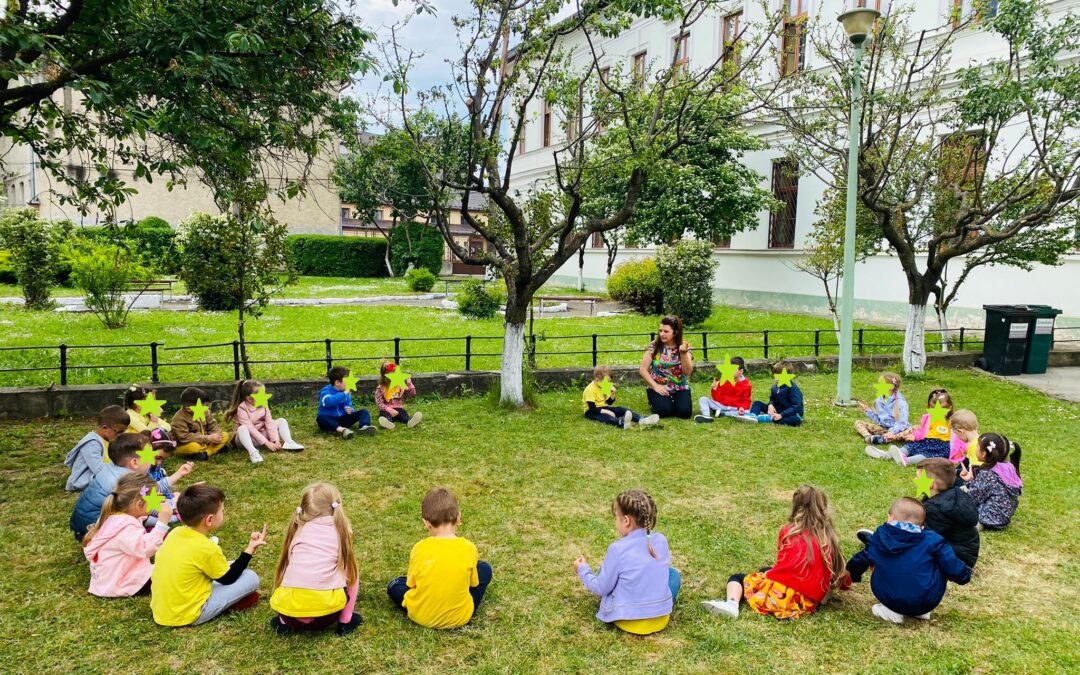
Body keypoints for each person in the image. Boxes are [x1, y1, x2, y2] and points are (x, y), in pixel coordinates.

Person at [703, 485, 843, 620]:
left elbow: (781, 567)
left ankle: (732, 604)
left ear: (796, 507)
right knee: (765, 569)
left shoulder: (788, 532)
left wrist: (766, 576)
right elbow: (839, 572)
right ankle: (823, 596)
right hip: (808, 604)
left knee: (737, 578)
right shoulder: (829, 538)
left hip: (781, 599)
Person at [150, 484, 265, 627]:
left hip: (161, 611)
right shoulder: (207, 548)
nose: (224, 513)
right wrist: (250, 549)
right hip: (188, 614)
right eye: (222, 511)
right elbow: (228, 578)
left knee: (230, 564)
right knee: (250, 577)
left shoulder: (175, 533)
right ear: (209, 519)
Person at [844, 497, 972, 624]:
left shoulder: (878, 538)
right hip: (927, 601)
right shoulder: (933, 540)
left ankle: (891, 612)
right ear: (922, 526)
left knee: (877, 559)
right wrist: (964, 575)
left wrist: (850, 573)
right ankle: (919, 611)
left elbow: (860, 560)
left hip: (890, 599)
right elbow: (951, 563)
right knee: (941, 560)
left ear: (889, 517)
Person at [573, 489, 680, 635]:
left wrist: (583, 569)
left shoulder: (617, 549)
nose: (615, 521)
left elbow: (601, 588)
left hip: (627, 620)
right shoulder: (661, 540)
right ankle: (655, 606)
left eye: (615, 517)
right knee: (673, 575)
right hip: (660, 619)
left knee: (603, 575)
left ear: (626, 520)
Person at [386, 487, 492, 629]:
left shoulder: (419, 548)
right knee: (484, 568)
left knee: (395, 584)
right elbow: (473, 584)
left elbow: (411, 584)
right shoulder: (469, 548)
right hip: (459, 618)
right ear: (458, 517)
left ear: (426, 523)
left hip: (421, 616)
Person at [269, 483, 362, 636]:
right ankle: (346, 621)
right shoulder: (342, 533)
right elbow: (349, 574)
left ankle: (282, 623)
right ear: (337, 506)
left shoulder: (297, 531)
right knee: (352, 571)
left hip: (289, 615)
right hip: (326, 616)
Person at [82, 472, 172, 598]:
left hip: (109, 581)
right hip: (122, 584)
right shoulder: (126, 528)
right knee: (173, 569)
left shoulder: (116, 517)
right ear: (139, 505)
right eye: (153, 500)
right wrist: (162, 523)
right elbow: (146, 549)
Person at [70, 433, 152, 542]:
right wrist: (167, 516)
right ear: (135, 462)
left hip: (82, 526)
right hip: (94, 533)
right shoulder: (127, 483)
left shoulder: (110, 468)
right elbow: (139, 511)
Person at [915, 458, 980, 567]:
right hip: (964, 551)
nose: (915, 480)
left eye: (918, 478)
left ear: (931, 485)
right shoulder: (954, 493)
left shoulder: (936, 509)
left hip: (958, 558)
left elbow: (927, 538)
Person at [224, 379, 304, 464]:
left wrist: (275, 440)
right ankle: (253, 452)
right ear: (250, 399)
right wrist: (267, 443)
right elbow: (251, 428)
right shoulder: (242, 408)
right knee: (242, 428)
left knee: (281, 421)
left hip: (262, 433)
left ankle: (288, 442)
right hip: (247, 439)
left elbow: (269, 422)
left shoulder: (263, 404)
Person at [867, 389, 954, 465]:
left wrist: (958, 452)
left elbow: (958, 438)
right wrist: (914, 436)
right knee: (910, 447)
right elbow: (922, 430)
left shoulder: (952, 420)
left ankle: (906, 461)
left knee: (925, 456)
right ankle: (887, 455)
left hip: (941, 446)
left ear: (950, 407)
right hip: (926, 441)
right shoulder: (929, 418)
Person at [959, 433, 1023, 530]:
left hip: (988, 518)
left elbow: (974, 497)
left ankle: (978, 524)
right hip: (1003, 517)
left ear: (984, 453)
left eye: (977, 447)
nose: (975, 449)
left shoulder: (987, 473)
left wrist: (959, 496)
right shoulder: (1008, 467)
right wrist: (969, 482)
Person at [64, 405, 130, 492]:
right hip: (84, 481)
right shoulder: (91, 443)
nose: (121, 435)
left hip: (105, 474)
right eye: (119, 432)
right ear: (105, 428)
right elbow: (99, 470)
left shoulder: (109, 439)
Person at [639, 315, 694, 419]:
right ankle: (655, 399)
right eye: (660, 331)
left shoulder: (684, 346)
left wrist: (683, 354)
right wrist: (655, 386)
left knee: (684, 413)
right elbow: (642, 370)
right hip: (659, 385)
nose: (662, 334)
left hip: (679, 386)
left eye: (666, 331)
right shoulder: (654, 346)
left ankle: (677, 400)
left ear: (676, 332)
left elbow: (687, 372)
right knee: (664, 411)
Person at [141, 428, 191, 527]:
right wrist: (172, 503)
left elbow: (157, 490)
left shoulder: (155, 468)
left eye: (163, 459)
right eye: (158, 458)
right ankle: (174, 516)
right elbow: (147, 499)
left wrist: (179, 473)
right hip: (143, 509)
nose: (159, 463)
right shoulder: (140, 471)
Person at [582, 366, 659, 429]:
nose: (608, 383)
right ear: (597, 379)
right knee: (607, 417)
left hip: (603, 407)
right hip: (591, 412)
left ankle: (641, 419)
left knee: (621, 409)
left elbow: (609, 402)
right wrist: (606, 411)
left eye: (609, 381)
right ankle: (620, 422)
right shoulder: (590, 389)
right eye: (607, 381)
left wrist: (612, 394)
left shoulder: (604, 385)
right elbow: (592, 408)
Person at [170, 387, 231, 459]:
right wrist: (207, 438)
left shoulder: (206, 411)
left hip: (205, 441)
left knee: (225, 435)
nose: (205, 408)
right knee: (193, 447)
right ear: (188, 408)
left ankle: (206, 453)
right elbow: (184, 437)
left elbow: (212, 425)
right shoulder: (179, 418)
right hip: (187, 444)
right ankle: (212, 449)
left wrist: (216, 435)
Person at [317, 366, 376, 439]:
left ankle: (365, 427)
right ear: (337, 382)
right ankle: (343, 431)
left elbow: (348, 404)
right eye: (347, 382)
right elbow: (331, 401)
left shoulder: (345, 392)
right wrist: (344, 394)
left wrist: (350, 410)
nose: (349, 384)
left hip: (343, 418)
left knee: (364, 412)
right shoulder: (326, 392)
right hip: (329, 419)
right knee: (321, 418)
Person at [695, 355, 755, 423]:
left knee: (747, 411)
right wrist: (714, 390)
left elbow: (746, 401)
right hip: (722, 405)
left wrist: (742, 408)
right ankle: (706, 416)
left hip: (735, 408)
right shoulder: (724, 380)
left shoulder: (747, 385)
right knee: (703, 399)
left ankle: (723, 413)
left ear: (741, 371)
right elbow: (717, 399)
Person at [854, 372, 910, 445]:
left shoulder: (900, 402)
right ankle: (869, 438)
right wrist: (867, 411)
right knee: (858, 423)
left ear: (891, 386)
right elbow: (879, 420)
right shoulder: (879, 401)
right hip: (884, 429)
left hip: (899, 431)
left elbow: (902, 423)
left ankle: (887, 439)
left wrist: (891, 432)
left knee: (915, 429)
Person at [748, 361, 804, 426]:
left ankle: (770, 418)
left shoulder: (792, 388)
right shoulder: (774, 387)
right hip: (777, 410)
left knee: (795, 420)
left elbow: (796, 406)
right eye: (775, 375)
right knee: (757, 403)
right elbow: (772, 399)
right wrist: (770, 405)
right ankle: (752, 416)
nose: (776, 378)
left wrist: (781, 415)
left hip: (791, 413)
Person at [375, 361, 423, 430]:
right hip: (387, 409)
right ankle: (387, 423)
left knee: (403, 414)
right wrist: (389, 410)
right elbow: (379, 403)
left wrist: (409, 384)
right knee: (385, 415)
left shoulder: (400, 385)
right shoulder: (381, 388)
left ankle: (409, 422)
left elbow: (412, 394)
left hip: (398, 408)